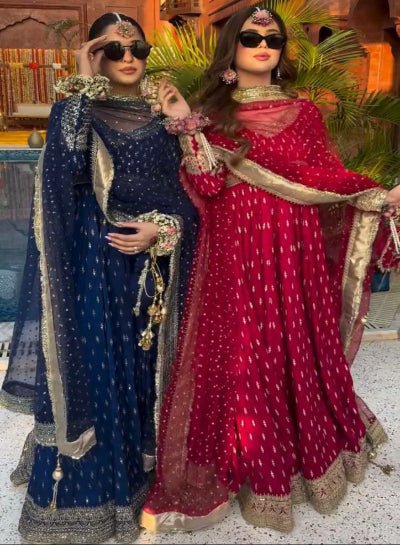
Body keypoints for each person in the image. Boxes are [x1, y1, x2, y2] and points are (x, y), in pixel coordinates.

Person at [141, 5, 400, 533]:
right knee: (243, 347)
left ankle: (303, 457)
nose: (263, 46)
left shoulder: (304, 112)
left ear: (282, 51)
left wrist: (374, 194)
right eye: (251, 37)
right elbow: (206, 184)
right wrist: (186, 122)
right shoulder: (211, 113)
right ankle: (245, 459)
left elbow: (323, 176)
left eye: (273, 39)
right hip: (235, 247)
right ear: (231, 47)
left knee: (292, 339)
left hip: (294, 246)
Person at [0, 12, 199, 543]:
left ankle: (140, 475)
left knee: (141, 367)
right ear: (97, 57)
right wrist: (82, 83)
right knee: (97, 365)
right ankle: (93, 496)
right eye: (113, 50)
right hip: (95, 263)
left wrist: (163, 229)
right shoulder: (78, 111)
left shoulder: (164, 119)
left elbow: (195, 195)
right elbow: (63, 173)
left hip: (151, 267)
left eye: (137, 48)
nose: (128, 58)